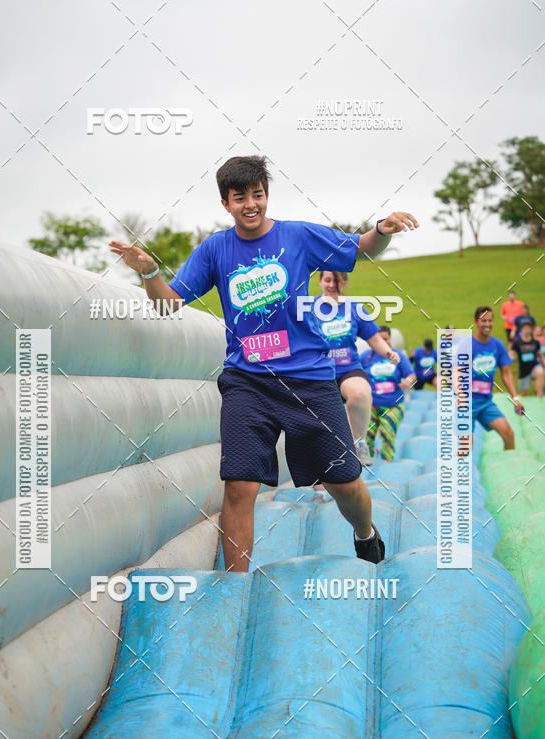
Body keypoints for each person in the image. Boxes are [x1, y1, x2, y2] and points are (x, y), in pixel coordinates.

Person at [110, 155, 419, 569]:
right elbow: (169, 305)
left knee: (343, 482)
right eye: (240, 198)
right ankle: (236, 590)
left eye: (258, 194)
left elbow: (362, 248)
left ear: (267, 195)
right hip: (247, 382)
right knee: (239, 485)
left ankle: (365, 533)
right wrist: (149, 274)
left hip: (308, 378)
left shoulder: (298, 236)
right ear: (226, 203)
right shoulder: (215, 249)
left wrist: (382, 229)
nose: (251, 204)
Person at [316, 270, 401, 464]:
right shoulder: (309, 308)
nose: (332, 285)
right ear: (320, 281)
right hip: (318, 373)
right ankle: (320, 492)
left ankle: (360, 442)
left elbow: (374, 338)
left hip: (347, 369)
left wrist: (388, 352)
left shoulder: (355, 309)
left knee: (361, 394)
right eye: (328, 280)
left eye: (337, 281)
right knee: (321, 435)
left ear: (345, 283)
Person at [461, 306, 523, 450]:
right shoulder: (466, 345)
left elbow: (506, 372)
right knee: (466, 447)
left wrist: (515, 398)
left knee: (509, 434)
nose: (487, 324)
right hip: (466, 404)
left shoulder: (497, 345)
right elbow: (455, 372)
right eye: (484, 321)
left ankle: (510, 467)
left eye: (490, 320)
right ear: (476, 322)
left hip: (485, 403)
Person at [361, 327, 415, 461]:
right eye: (380, 339)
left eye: (385, 339)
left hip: (393, 405)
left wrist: (407, 381)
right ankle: (368, 466)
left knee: (387, 433)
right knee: (367, 437)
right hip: (370, 406)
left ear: (390, 339)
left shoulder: (398, 356)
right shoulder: (366, 357)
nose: (383, 342)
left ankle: (387, 466)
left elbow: (411, 374)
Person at [511, 321, 545, 398]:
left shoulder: (535, 342)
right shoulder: (517, 343)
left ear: (531, 330)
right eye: (525, 328)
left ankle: (539, 398)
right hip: (523, 370)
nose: (527, 330)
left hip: (534, 366)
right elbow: (511, 353)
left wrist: (543, 363)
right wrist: (511, 357)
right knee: (524, 395)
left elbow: (540, 355)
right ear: (522, 330)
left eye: (528, 328)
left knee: (540, 372)